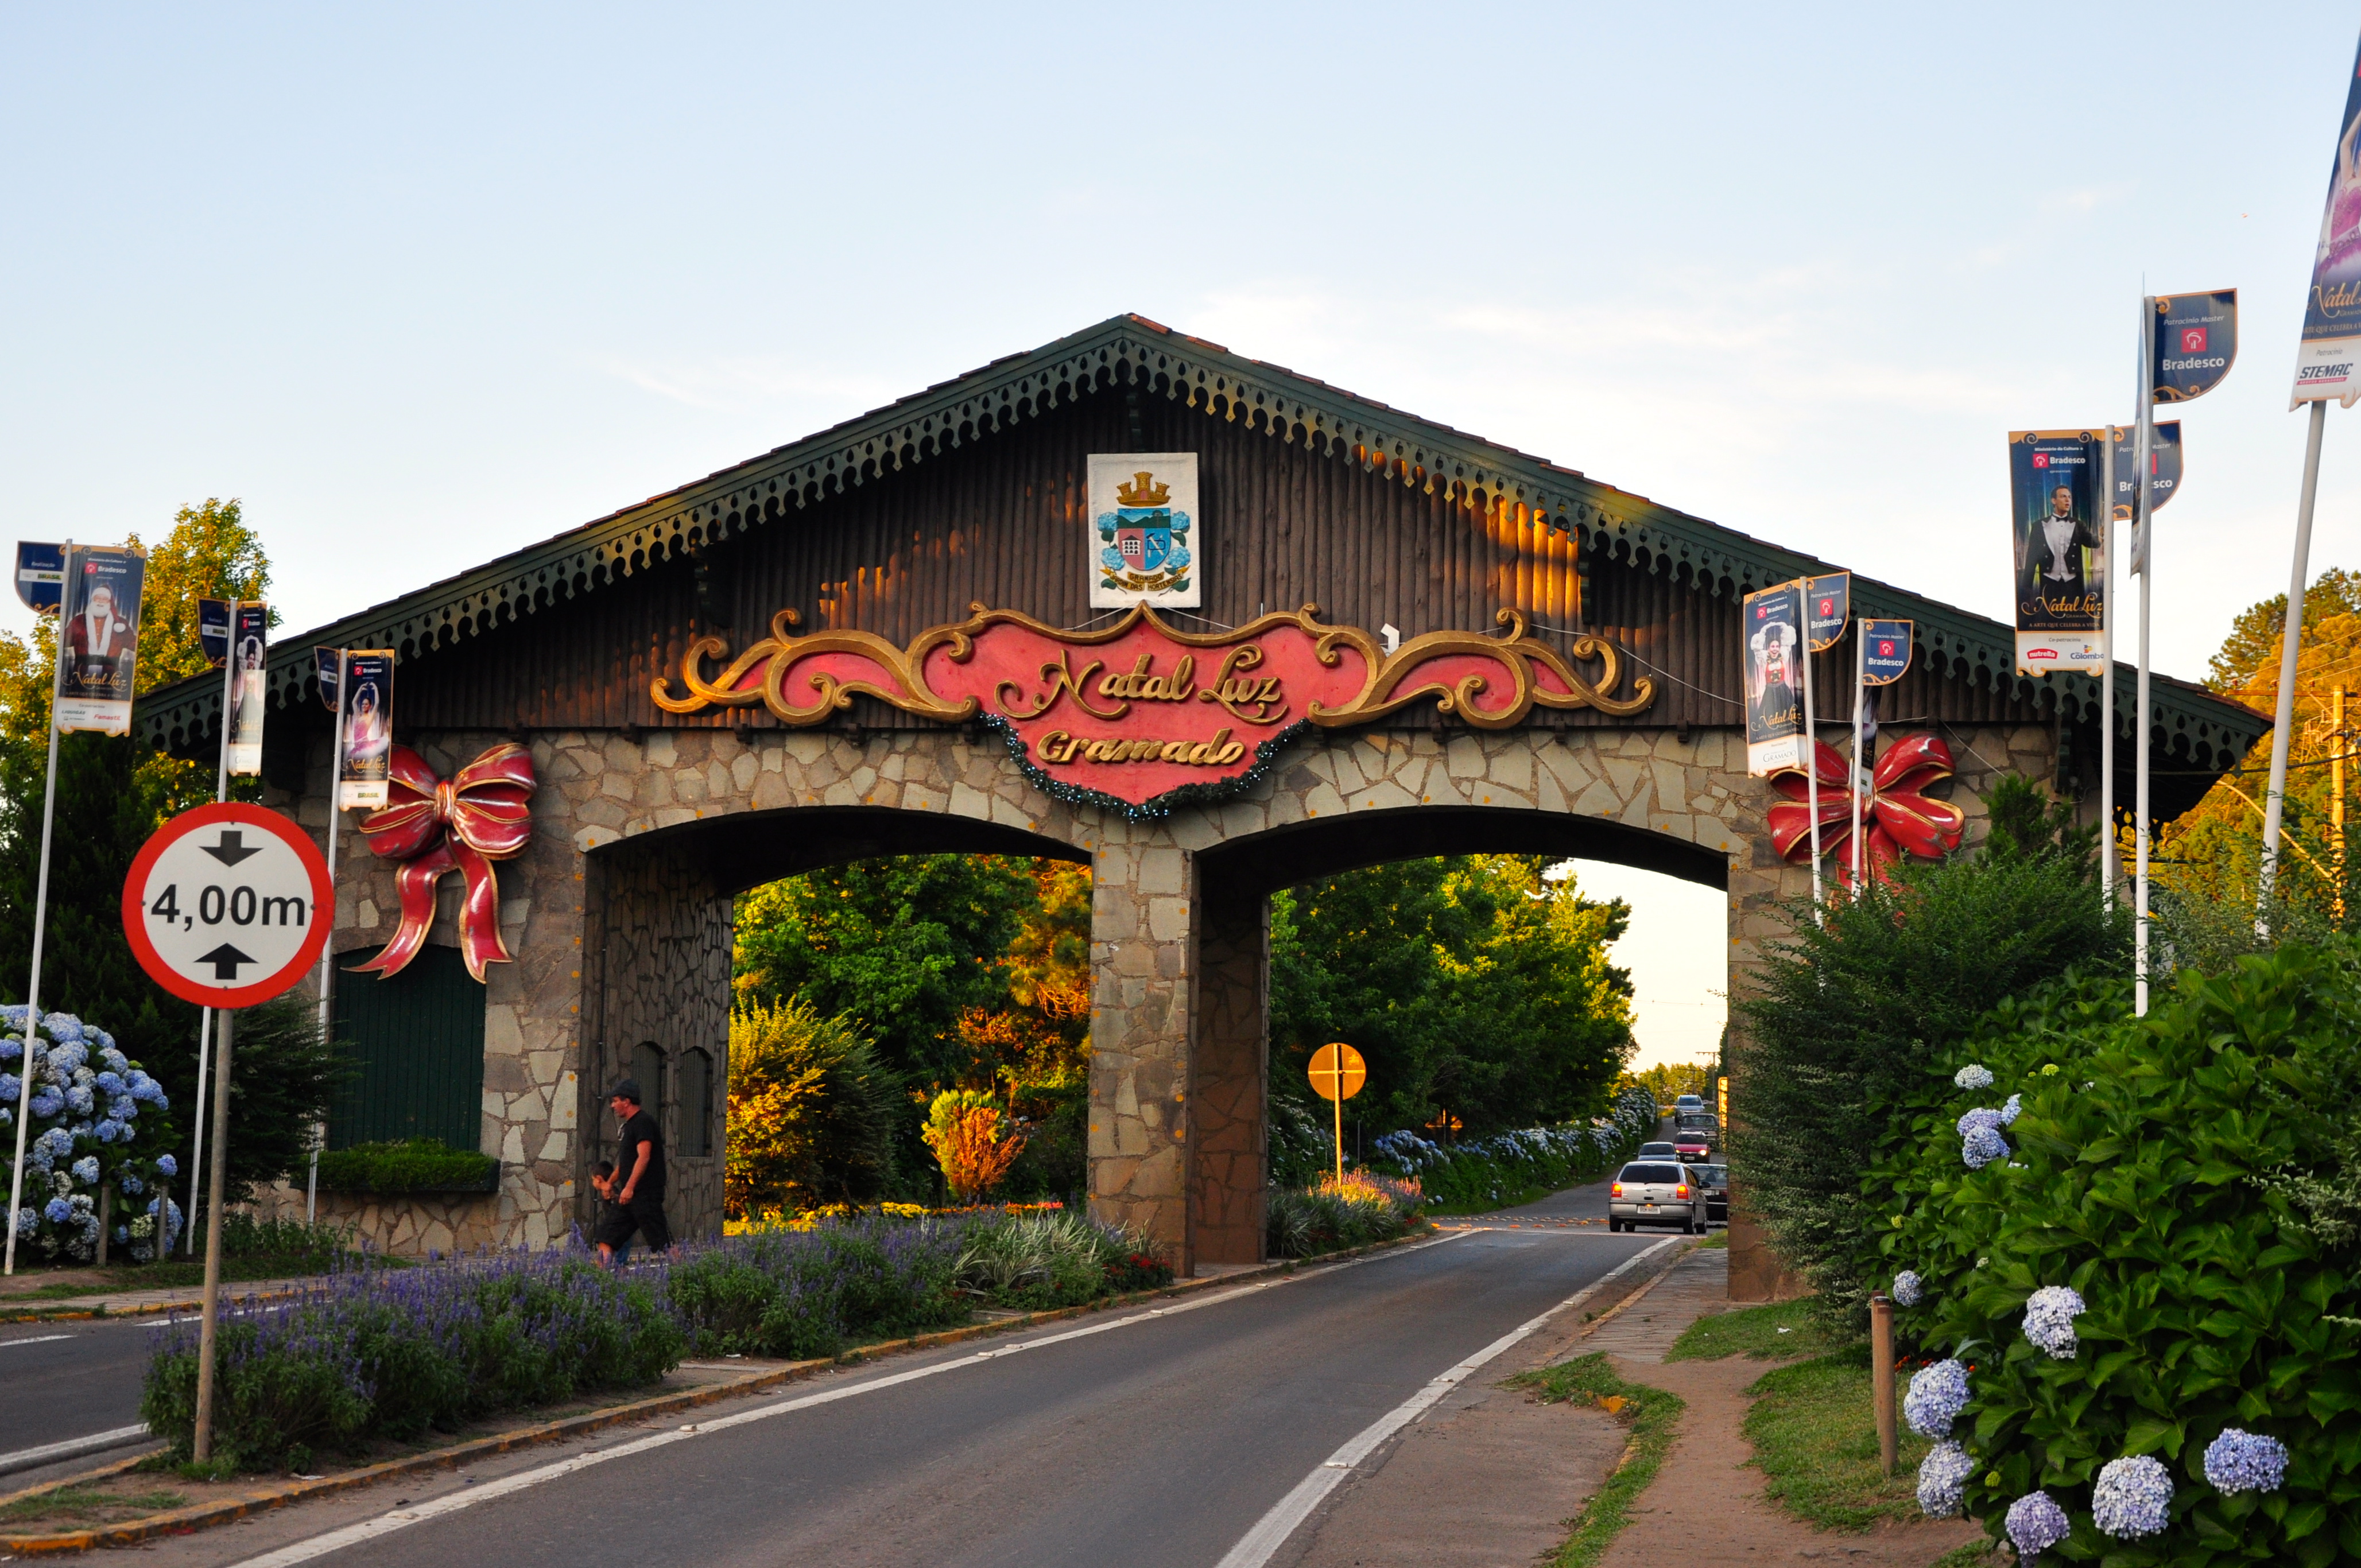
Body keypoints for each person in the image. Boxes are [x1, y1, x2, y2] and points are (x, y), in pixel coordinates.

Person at [600, 1078, 669, 1264]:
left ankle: (690, 1277)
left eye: (615, 1101)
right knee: (606, 1239)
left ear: (627, 1102)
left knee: (664, 1245)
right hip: (628, 1198)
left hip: (645, 1196)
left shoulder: (643, 1122)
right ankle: (598, 1284)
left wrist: (629, 1187)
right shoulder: (630, 1126)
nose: (613, 1106)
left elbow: (644, 1156)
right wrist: (610, 1183)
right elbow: (626, 1163)